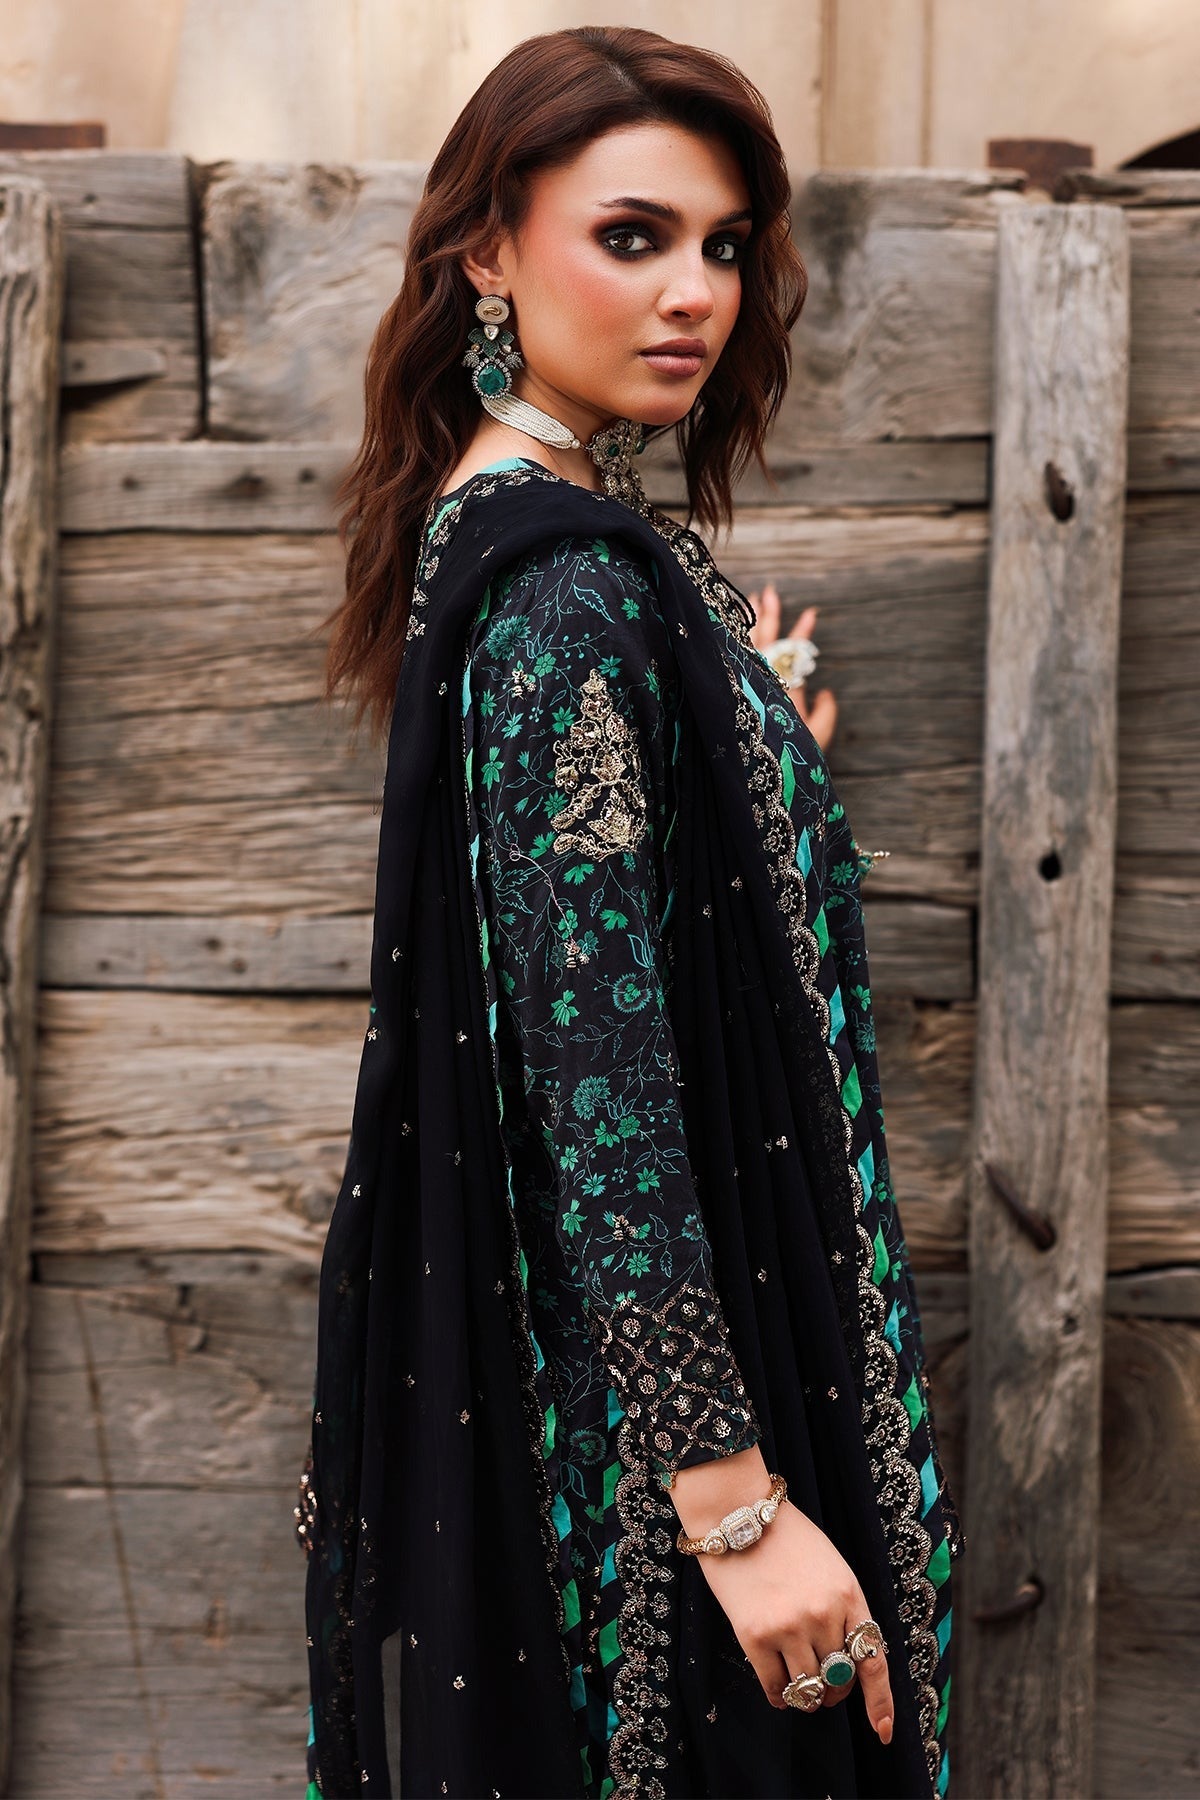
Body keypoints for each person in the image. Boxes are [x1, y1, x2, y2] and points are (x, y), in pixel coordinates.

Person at [296, 24, 962, 1800]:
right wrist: (736, 1513)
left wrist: (755, 749)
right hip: (663, 1453)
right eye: (632, 236)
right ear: (488, 252)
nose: (695, 294)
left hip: (627, 1393)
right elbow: (599, 1085)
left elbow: (582, 894)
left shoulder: (514, 530)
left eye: (724, 246)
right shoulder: (569, 597)